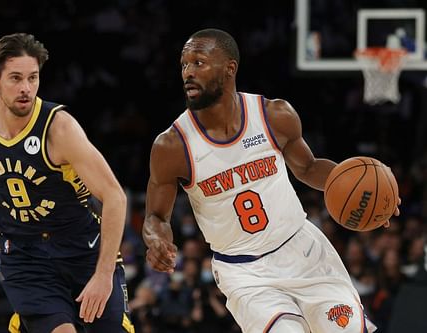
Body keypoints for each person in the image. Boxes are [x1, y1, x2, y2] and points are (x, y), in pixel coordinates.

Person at [142, 28, 401, 333]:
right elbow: (155, 216)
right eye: (184, 64)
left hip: (303, 251)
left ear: (229, 68)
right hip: (245, 273)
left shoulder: (273, 115)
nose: (188, 72)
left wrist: (372, 194)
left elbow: (308, 167)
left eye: (199, 62)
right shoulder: (172, 146)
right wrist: (157, 239)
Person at [0, 33, 134, 333]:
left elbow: (114, 196)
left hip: (81, 246)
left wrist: (104, 274)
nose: (26, 88)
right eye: (15, 78)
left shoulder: (60, 128)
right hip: (24, 254)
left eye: (33, 78)